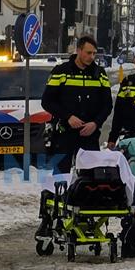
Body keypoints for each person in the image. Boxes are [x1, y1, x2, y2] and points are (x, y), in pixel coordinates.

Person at [42, 35, 113, 174]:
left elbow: (107, 105)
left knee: (91, 178)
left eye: (94, 53)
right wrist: (68, 117)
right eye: (88, 53)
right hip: (64, 134)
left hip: (89, 135)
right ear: (79, 51)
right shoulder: (61, 72)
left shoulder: (100, 74)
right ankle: (59, 195)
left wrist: (95, 123)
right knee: (60, 177)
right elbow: (47, 102)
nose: (92, 57)